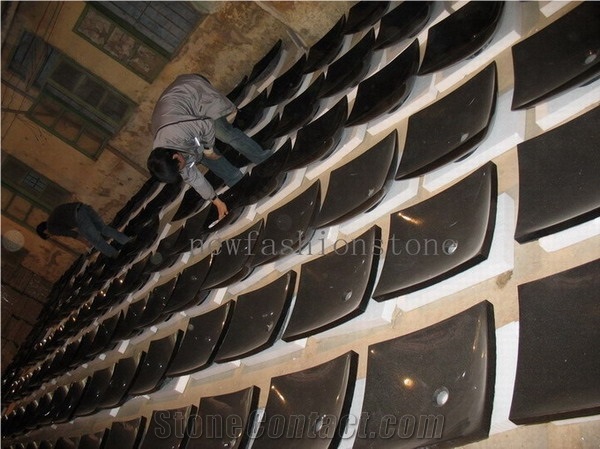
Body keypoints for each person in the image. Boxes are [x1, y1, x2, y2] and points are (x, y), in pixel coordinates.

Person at [147, 74, 270, 220]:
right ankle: (236, 179)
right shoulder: (168, 158)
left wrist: (209, 149)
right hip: (179, 115)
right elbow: (195, 179)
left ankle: (264, 159)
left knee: (225, 135)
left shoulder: (175, 132)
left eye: (180, 166)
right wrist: (216, 201)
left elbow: (206, 125)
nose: (183, 169)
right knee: (200, 156)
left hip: (194, 92)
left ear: (175, 155)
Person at [36, 202, 130, 258]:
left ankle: (117, 256)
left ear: (45, 231)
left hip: (79, 217)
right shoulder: (53, 216)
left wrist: (86, 243)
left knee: (96, 241)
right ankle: (128, 242)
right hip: (83, 207)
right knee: (104, 228)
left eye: (48, 235)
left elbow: (72, 234)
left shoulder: (51, 227)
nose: (51, 236)